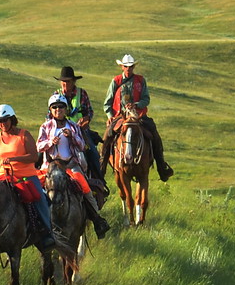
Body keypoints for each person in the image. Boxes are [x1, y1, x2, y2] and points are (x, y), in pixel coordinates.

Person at [0, 104, 76, 256]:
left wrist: (13, 159)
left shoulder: (24, 135)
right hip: (0, 178)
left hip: (25, 176)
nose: (2, 124)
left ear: (12, 119)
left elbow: (32, 156)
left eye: (5, 120)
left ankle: (47, 235)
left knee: (39, 199)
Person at [38, 93, 113, 239]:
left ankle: (97, 219)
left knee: (84, 188)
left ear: (65, 109)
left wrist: (71, 137)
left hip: (70, 165)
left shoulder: (73, 126)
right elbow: (38, 146)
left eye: (61, 107)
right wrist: (49, 143)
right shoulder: (45, 127)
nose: (58, 109)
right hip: (51, 166)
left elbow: (81, 146)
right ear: (50, 110)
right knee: (37, 189)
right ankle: (37, 223)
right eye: (54, 107)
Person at [106, 53, 174, 181]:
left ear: (133, 67)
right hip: (120, 117)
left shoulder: (140, 80)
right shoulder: (116, 81)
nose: (128, 69)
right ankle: (101, 167)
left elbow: (146, 98)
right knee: (107, 135)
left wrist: (136, 105)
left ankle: (161, 166)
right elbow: (107, 102)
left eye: (131, 66)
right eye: (126, 66)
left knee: (154, 133)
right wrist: (110, 116)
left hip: (139, 116)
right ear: (122, 67)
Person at [57, 65, 102, 180]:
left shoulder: (82, 94)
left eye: (68, 82)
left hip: (80, 131)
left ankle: (99, 181)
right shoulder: (56, 95)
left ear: (73, 81)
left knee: (93, 153)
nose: (65, 85)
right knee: (40, 153)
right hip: (59, 131)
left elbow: (90, 111)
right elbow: (49, 115)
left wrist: (87, 118)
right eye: (63, 82)